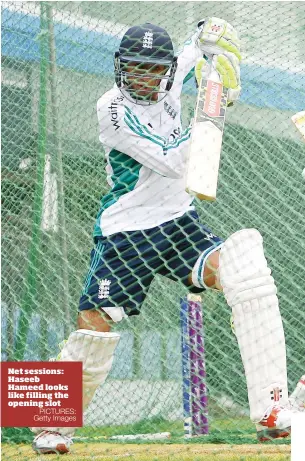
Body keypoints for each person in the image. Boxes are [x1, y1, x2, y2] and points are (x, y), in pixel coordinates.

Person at [32, 17, 295, 454]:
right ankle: (49, 425)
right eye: (135, 68)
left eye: (154, 69)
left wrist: (215, 40)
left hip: (178, 222)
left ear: (167, 69)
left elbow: (202, 42)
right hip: (127, 228)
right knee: (95, 326)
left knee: (246, 264)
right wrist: (217, 104)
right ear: (121, 68)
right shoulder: (111, 110)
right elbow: (176, 163)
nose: (145, 77)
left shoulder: (170, 79)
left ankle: (271, 411)